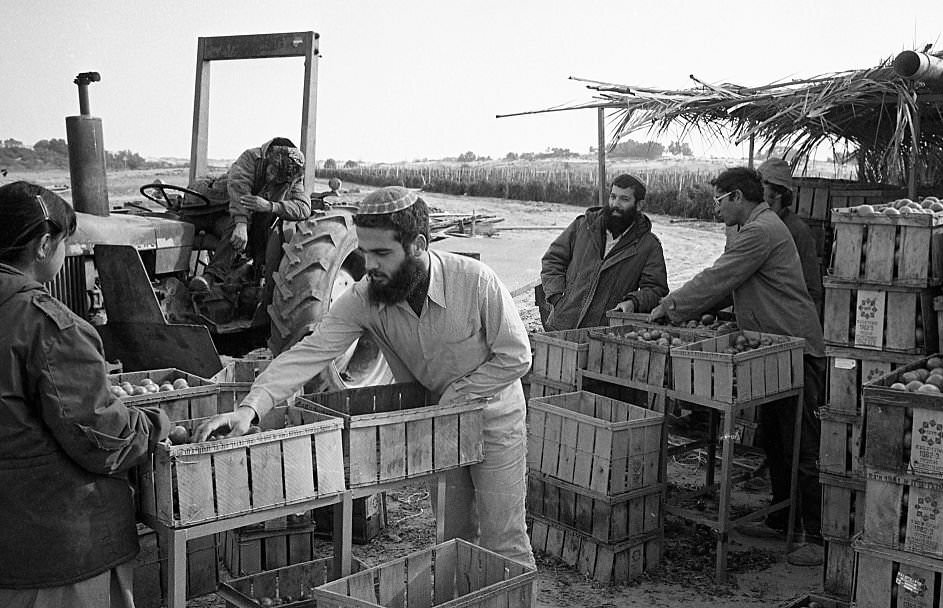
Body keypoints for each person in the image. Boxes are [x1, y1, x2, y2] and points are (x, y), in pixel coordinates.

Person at [194, 186, 536, 568]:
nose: (370, 265)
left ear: (419, 245)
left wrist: (462, 390)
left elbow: (517, 356)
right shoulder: (366, 297)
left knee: (503, 540)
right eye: (365, 252)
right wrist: (250, 409)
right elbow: (309, 352)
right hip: (440, 425)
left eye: (382, 253)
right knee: (454, 539)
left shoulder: (474, 281)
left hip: (495, 420)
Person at [0, 181, 171, 607]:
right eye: (63, 243)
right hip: (59, 548)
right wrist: (154, 426)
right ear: (43, 245)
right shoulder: (46, 327)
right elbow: (99, 436)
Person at [649, 167, 826, 567]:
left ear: (736, 198)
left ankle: (814, 537)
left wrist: (670, 306)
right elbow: (731, 282)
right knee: (776, 442)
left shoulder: (761, 231)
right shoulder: (757, 227)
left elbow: (721, 276)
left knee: (802, 446)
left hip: (796, 347)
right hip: (774, 346)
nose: (715, 209)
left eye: (718, 200)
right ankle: (782, 521)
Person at [181, 137, 312, 292]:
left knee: (260, 221)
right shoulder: (251, 157)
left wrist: (271, 206)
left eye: (278, 180)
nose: (271, 179)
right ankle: (203, 276)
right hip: (214, 208)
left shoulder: (293, 177)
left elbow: (303, 207)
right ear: (268, 159)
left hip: (249, 219)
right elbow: (239, 189)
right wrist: (241, 223)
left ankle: (247, 276)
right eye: (271, 172)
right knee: (233, 227)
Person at [540, 173, 669, 330]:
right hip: (561, 325)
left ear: (639, 205)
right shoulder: (583, 226)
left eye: (624, 199)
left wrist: (633, 302)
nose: (615, 204)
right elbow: (552, 259)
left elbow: (656, 289)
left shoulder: (649, 246)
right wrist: (557, 297)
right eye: (613, 197)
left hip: (604, 332)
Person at [757, 158, 824, 318]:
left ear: (778, 193)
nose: (755, 189)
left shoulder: (798, 230)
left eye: (762, 184)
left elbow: (812, 288)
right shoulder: (752, 223)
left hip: (784, 318)